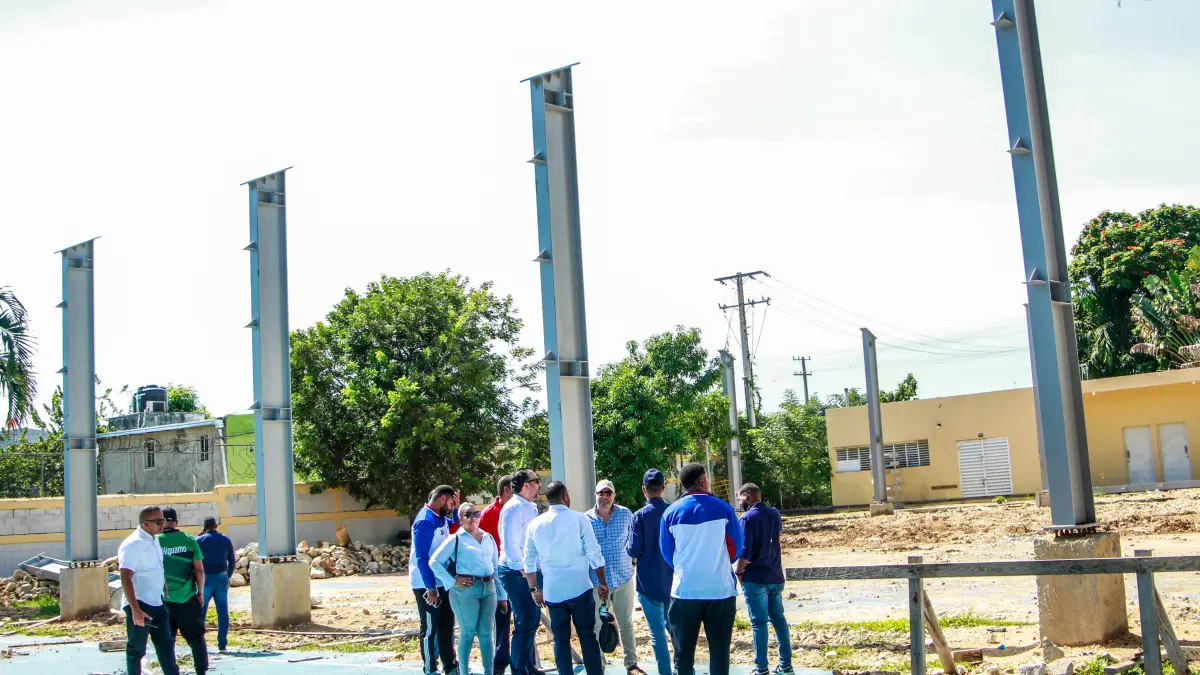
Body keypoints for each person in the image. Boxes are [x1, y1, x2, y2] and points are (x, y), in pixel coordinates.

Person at [660, 463, 744, 675]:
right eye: (707, 477)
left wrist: (686, 567)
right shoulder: (723, 509)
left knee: (683, 655)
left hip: (684, 592)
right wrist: (719, 562)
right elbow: (736, 547)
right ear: (701, 481)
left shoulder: (670, 513)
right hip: (720, 591)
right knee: (719, 651)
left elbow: (667, 553)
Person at [523, 481, 607, 675]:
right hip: (580, 588)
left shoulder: (535, 524)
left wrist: (534, 588)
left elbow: (528, 560)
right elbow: (595, 554)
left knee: (560, 640)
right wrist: (602, 582)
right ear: (565, 497)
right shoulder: (579, 519)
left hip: (553, 592)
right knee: (587, 637)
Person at [431, 503, 509, 675]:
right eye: (468, 514)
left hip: (488, 588)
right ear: (461, 519)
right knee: (467, 632)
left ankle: (489, 672)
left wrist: (502, 595)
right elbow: (434, 562)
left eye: (476, 513)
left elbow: (495, 568)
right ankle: (464, 672)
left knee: (487, 634)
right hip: (466, 590)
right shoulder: (456, 539)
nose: (473, 517)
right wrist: (452, 581)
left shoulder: (488, 538)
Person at [585, 479, 643, 675]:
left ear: (614, 495)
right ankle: (599, 665)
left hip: (623, 579)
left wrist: (633, 563)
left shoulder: (626, 514)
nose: (605, 496)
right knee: (597, 625)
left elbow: (634, 541)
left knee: (626, 623)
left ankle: (631, 664)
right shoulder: (586, 519)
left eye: (608, 492)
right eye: (601, 493)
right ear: (596, 495)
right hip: (596, 583)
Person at [736, 483, 793, 675]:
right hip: (775, 575)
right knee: (778, 619)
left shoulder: (747, 518)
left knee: (758, 623)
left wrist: (738, 571)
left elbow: (746, 551)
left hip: (755, 577)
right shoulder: (774, 514)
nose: (739, 502)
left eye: (739, 497)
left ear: (747, 496)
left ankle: (761, 668)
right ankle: (786, 666)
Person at [118, 506, 180, 675]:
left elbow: (156, 568)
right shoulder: (132, 545)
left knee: (166, 646)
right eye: (159, 521)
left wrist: (164, 585)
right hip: (140, 604)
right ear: (145, 523)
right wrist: (135, 610)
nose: (163, 524)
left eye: (164, 520)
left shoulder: (155, 540)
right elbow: (125, 578)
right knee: (136, 650)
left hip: (157, 602)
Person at [410, 485, 462, 675]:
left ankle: (451, 667)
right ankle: (430, 668)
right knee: (431, 629)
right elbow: (422, 557)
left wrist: (456, 510)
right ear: (441, 499)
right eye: (450, 503)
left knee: (447, 626)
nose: (450, 507)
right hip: (426, 584)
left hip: (443, 581)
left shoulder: (441, 518)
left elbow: (456, 529)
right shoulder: (425, 521)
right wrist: (430, 587)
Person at [627, 469, 674, 675]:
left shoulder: (639, 516)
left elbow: (633, 550)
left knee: (657, 635)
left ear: (644, 489)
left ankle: (665, 672)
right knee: (675, 630)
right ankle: (683, 668)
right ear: (663, 488)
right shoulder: (674, 512)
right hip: (673, 581)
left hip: (648, 582)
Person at [497, 469, 541, 675]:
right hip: (515, 572)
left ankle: (527, 665)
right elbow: (511, 545)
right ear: (526, 485)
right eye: (536, 481)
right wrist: (525, 571)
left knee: (532, 619)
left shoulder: (530, 507)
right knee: (524, 620)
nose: (539, 485)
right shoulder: (513, 508)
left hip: (528, 570)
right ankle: (518, 669)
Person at [159, 507, 208, 675]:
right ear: (176, 522)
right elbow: (200, 570)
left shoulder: (154, 541)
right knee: (196, 638)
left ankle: (171, 671)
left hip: (163, 601)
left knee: (166, 641)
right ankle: (201, 671)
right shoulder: (188, 540)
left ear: (162, 522)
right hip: (187, 599)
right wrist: (200, 592)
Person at [480, 476, 514, 675]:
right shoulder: (487, 514)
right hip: (498, 576)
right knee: (501, 622)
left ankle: (524, 662)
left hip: (518, 574)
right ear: (507, 490)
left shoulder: (520, 510)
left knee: (524, 622)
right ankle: (499, 665)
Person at [196, 516, 236, 653]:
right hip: (221, 576)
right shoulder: (226, 540)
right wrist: (228, 574)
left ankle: (200, 642)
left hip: (205, 578)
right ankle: (222, 644)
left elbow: (194, 561)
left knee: (201, 611)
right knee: (222, 611)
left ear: (205, 527)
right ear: (216, 526)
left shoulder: (199, 540)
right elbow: (232, 560)